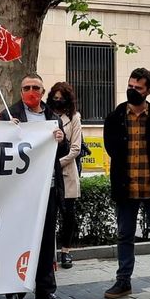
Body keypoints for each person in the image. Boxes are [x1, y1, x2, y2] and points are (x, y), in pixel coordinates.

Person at [103, 68, 150, 299]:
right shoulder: (114, 117)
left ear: (148, 91)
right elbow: (111, 148)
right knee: (124, 235)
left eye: (138, 87)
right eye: (130, 86)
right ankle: (123, 280)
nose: (132, 90)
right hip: (125, 187)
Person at [0, 73, 67, 299]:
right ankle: (14, 292)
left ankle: (46, 289)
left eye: (35, 87)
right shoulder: (8, 115)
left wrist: (61, 140)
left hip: (47, 189)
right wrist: (7, 131)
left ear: (42, 91)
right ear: (20, 92)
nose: (31, 91)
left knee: (47, 241)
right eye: (26, 87)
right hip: (19, 192)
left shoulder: (53, 118)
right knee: (18, 240)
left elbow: (62, 153)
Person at [48, 82, 82, 270]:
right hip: (46, 174)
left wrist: (56, 164)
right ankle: (48, 253)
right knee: (48, 214)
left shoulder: (74, 118)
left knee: (68, 214)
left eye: (61, 98)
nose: (58, 100)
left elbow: (76, 148)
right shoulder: (45, 115)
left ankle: (66, 251)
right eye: (55, 97)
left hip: (67, 172)